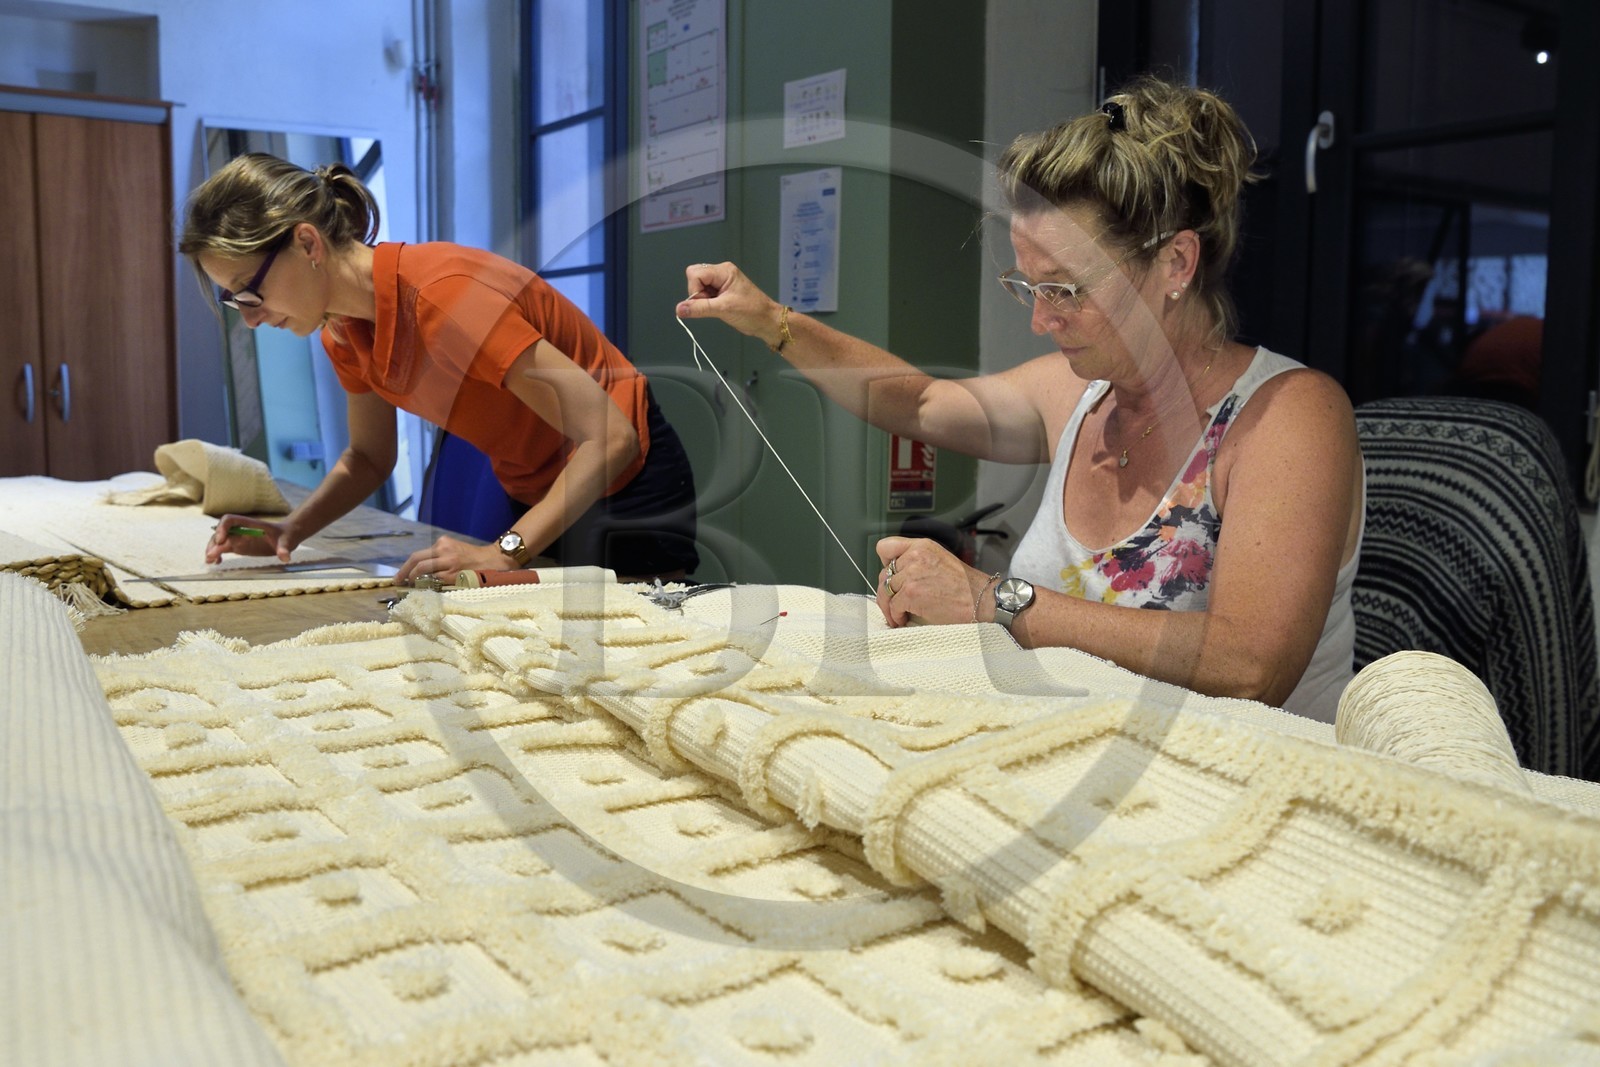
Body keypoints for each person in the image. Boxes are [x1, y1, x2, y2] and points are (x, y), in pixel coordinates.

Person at [677, 76, 1364, 722]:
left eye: (1065, 290)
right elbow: (918, 404)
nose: (1040, 321)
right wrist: (772, 322)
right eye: (1030, 287)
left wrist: (992, 599)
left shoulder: (1289, 417)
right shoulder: (1078, 392)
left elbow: (1250, 666)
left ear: (1175, 263)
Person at [179, 152, 698, 585]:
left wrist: (505, 552)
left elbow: (610, 437)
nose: (250, 318)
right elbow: (368, 458)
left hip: (626, 481)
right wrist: (291, 530)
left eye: (249, 291)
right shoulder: (341, 330)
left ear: (308, 243)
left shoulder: (445, 297)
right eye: (234, 300)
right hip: (541, 492)